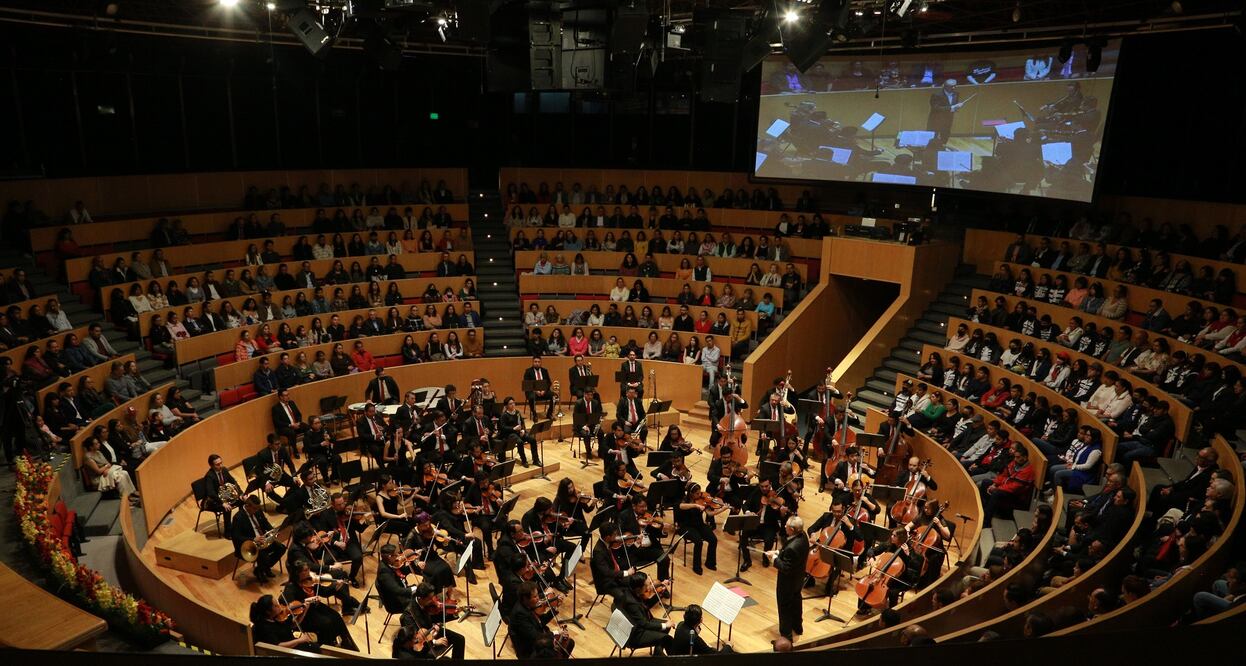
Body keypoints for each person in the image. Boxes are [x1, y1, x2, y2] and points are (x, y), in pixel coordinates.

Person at [770, 515, 809, 641]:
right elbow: (789, 552)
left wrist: (774, 559)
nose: (784, 527)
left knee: (784, 607)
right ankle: (797, 627)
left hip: (787, 582)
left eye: (786, 525)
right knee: (796, 602)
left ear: (791, 529)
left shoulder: (792, 548)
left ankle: (786, 637)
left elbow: (785, 567)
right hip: (798, 578)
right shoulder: (803, 536)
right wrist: (778, 553)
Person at [231, 495, 286, 580]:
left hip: (262, 541)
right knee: (264, 557)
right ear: (247, 506)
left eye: (257, 508)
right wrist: (253, 539)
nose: (256, 510)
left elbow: (265, 523)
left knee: (281, 548)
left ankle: (262, 568)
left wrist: (273, 531)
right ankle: (263, 569)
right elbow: (236, 537)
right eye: (254, 508)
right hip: (248, 546)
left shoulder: (258, 511)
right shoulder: (238, 517)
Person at [927, 79, 963, 144]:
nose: (954, 88)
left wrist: (957, 107)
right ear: (945, 86)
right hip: (936, 120)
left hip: (948, 120)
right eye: (951, 86)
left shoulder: (956, 94)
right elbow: (935, 108)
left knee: (945, 136)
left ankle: (943, 146)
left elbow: (953, 106)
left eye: (955, 86)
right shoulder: (936, 95)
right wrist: (951, 107)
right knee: (932, 138)